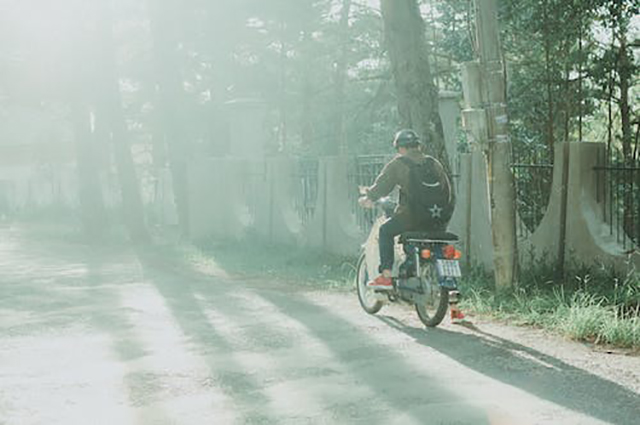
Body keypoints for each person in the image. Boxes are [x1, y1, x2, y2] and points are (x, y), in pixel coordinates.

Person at [358, 129, 454, 290]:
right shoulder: (434, 163)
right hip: (438, 219)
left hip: (412, 218)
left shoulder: (399, 163)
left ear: (400, 148)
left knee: (385, 231)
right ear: (418, 146)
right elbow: (448, 191)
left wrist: (369, 198)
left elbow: (383, 185)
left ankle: (386, 276)